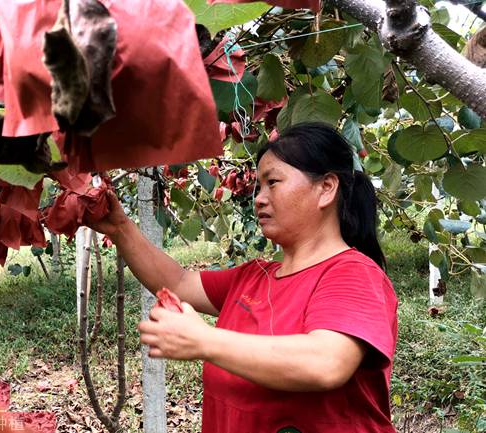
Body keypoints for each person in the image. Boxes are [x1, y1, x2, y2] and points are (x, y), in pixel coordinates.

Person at [88, 122, 398, 433]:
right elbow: (179, 283)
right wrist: (120, 228)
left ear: (326, 188)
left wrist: (204, 340)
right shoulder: (254, 276)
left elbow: (327, 363)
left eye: (273, 182)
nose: (259, 199)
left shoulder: (353, 274)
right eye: (259, 187)